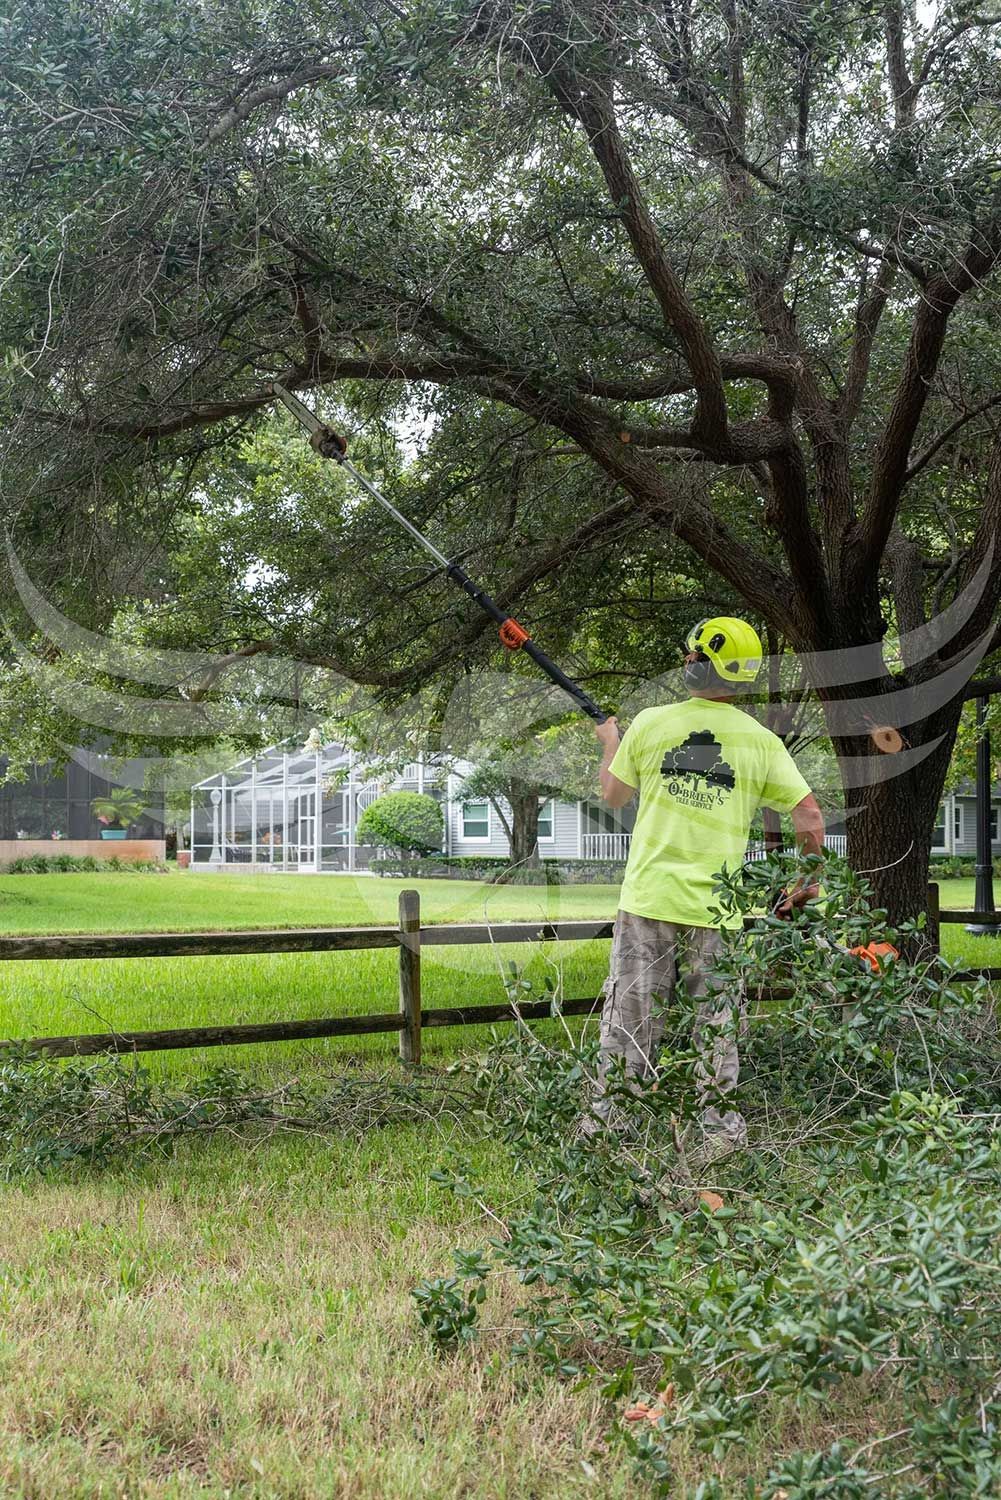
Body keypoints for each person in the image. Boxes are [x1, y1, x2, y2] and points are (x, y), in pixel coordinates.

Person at [588, 616, 825, 1155]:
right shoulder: (761, 742)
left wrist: (610, 742)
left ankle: (608, 1136)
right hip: (721, 911)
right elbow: (809, 816)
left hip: (648, 901)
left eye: (692, 655)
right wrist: (808, 882)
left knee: (630, 1024)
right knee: (717, 1030)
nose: (687, 660)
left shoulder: (650, 724)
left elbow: (615, 796)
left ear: (699, 666)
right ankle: (720, 1140)